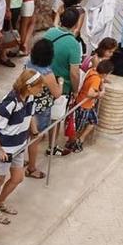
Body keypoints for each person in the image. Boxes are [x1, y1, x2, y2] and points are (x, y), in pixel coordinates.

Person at [0, 70, 45, 225]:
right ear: (29, 86)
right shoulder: (10, 102)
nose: (41, 90)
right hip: (4, 150)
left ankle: (0, 202)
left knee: (17, 178)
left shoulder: (30, 97)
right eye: (39, 87)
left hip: (18, 147)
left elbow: (30, 115)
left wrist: (34, 130)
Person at [43, 8, 83, 156]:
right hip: (61, 86)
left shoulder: (49, 33)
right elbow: (74, 73)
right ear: (75, 24)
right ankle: (52, 146)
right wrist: (76, 89)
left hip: (43, 80)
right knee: (55, 118)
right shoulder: (73, 44)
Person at [24, 39, 62, 179]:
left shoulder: (28, 64)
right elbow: (57, 94)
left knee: (27, 135)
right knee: (35, 138)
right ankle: (31, 168)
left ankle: (25, 160)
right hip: (40, 110)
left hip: (27, 105)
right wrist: (61, 83)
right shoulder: (47, 74)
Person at [67, 59, 113, 153]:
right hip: (83, 105)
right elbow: (90, 93)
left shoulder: (93, 71)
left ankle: (80, 139)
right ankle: (72, 143)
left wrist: (102, 84)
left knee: (94, 121)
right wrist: (100, 94)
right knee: (78, 127)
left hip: (87, 104)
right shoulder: (96, 79)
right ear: (105, 73)